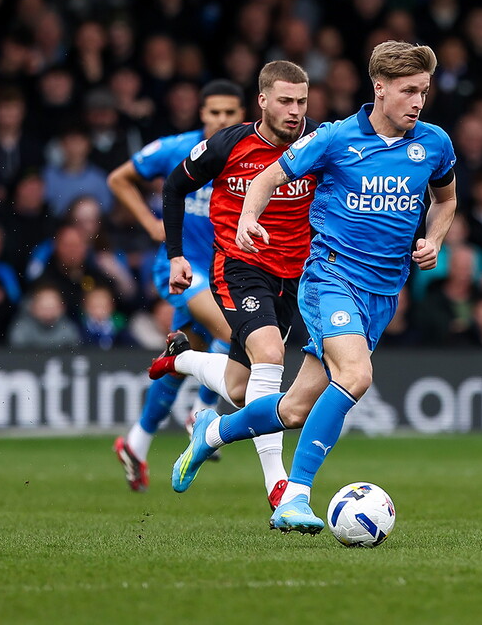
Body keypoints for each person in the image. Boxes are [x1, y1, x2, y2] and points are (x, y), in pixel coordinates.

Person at [166, 41, 456, 534]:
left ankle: (212, 432)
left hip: (383, 293)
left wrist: (434, 237)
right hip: (330, 277)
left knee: (297, 407)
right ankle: (293, 495)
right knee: (356, 375)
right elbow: (265, 177)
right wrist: (248, 220)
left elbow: (446, 200)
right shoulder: (335, 139)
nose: (418, 102)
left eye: (424, 92)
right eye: (409, 91)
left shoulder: (434, 143)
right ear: (379, 88)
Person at [147, 62, 318, 508]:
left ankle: (181, 360)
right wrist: (176, 255)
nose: (295, 111)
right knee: (271, 355)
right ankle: (279, 488)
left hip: (292, 276)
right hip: (238, 267)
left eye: (301, 101)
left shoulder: (318, 144)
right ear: (262, 101)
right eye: (285, 101)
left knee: (244, 389)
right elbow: (172, 188)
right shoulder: (229, 143)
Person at [109, 80, 246, 492]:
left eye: (230, 113)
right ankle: (201, 415)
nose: (222, 120)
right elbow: (119, 179)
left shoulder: (248, 154)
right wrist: (151, 224)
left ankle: (136, 443)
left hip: (225, 272)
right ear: (201, 115)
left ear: (242, 114)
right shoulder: (175, 149)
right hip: (181, 270)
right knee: (235, 333)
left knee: (181, 357)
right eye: (214, 113)